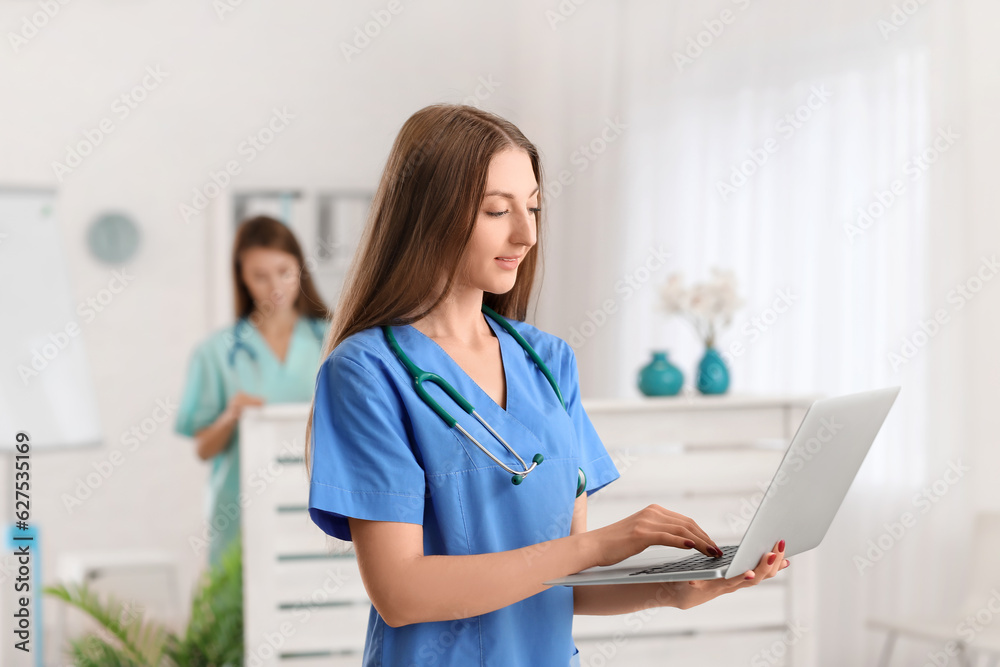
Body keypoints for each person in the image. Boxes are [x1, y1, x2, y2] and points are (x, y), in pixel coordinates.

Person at [304, 104, 790, 666]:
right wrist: (600, 544)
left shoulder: (548, 362)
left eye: (533, 207)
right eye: (496, 210)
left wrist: (673, 590)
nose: (527, 233)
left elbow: (561, 581)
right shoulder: (367, 374)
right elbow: (401, 593)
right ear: (428, 214)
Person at [175, 215, 331, 568]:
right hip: (240, 508)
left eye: (283, 271)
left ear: (300, 269)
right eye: (259, 276)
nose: (274, 286)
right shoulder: (216, 352)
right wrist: (231, 417)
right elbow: (203, 449)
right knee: (240, 609)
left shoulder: (336, 341)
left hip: (318, 499)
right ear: (242, 279)